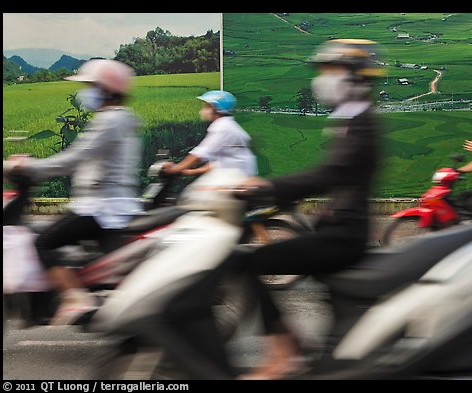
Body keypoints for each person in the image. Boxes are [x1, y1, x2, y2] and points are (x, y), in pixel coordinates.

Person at [224, 38, 386, 379]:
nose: (322, 78)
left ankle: (283, 351)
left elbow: (333, 174)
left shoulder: (361, 122)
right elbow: (341, 179)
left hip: (345, 236)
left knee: (251, 261)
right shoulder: (353, 118)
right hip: (338, 228)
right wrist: (281, 198)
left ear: (356, 77)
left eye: (330, 69)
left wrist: (269, 186)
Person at [7, 59, 143, 325]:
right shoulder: (122, 119)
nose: (86, 92)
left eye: (91, 86)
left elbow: (75, 158)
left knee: (42, 242)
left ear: (106, 89)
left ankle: (75, 298)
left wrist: (30, 168)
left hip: (101, 208)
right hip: (110, 204)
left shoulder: (109, 121)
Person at [161, 90, 257, 177]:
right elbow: (220, 162)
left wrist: (175, 169)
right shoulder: (228, 125)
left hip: (236, 178)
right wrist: (189, 172)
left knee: (194, 194)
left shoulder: (222, 126)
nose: (203, 110)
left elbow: (200, 154)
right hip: (238, 176)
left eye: (206, 106)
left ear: (216, 109)